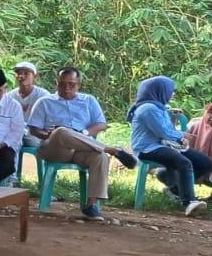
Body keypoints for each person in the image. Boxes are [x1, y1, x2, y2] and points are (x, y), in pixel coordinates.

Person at [27, 67, 137, 220]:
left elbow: (100, 124)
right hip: (54, 148)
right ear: (56, 84)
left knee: (100, 157)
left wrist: (83, 134)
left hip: (80, 149)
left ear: (79, 85)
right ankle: (111, 149)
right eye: (62, 84)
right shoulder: (45, 102)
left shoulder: (88, 100)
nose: (66, 88)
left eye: (71, 84)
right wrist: (47, 133)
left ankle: (92, 205)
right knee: (61, 131)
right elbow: (33, 129)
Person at [128, 76, 212, 216]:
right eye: (170, 90)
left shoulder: (159, 106)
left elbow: (168, 130)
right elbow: (163, 131)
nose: (172, 93)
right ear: (159, 90)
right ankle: (189, 202)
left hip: (164, 144)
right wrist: (181, 137)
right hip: (148, 148)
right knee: (184, 163)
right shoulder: (148, 108)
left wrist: (180, 137)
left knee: (205, 162)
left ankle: (175, 189)